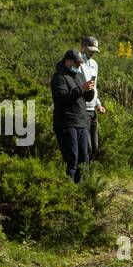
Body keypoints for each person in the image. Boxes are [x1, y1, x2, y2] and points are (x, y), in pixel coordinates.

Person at [51, 49, 94, 183]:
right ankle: (68, 192)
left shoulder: (79, 75)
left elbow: (86, 98)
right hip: (66, 123)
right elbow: (62, 98)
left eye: (80, 63)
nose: (79, 65)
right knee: (72, 159)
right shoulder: (59, 77)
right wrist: (82, 88)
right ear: (67, 61)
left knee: (84, 158)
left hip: (81, 122)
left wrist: (90, 90)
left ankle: (80, 191)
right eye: (76, 63)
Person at [79, 35, 106, 158]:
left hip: (92, 110)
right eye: (90, 50)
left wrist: (98, 104)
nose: (92, 53)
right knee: (87, 147)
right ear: (83, 47)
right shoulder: (77, 63)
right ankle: (81, 173)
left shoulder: (94, 64)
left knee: (94, 147)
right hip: (82, 110)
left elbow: (94, 87)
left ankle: (87, 172)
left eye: (94, 51)